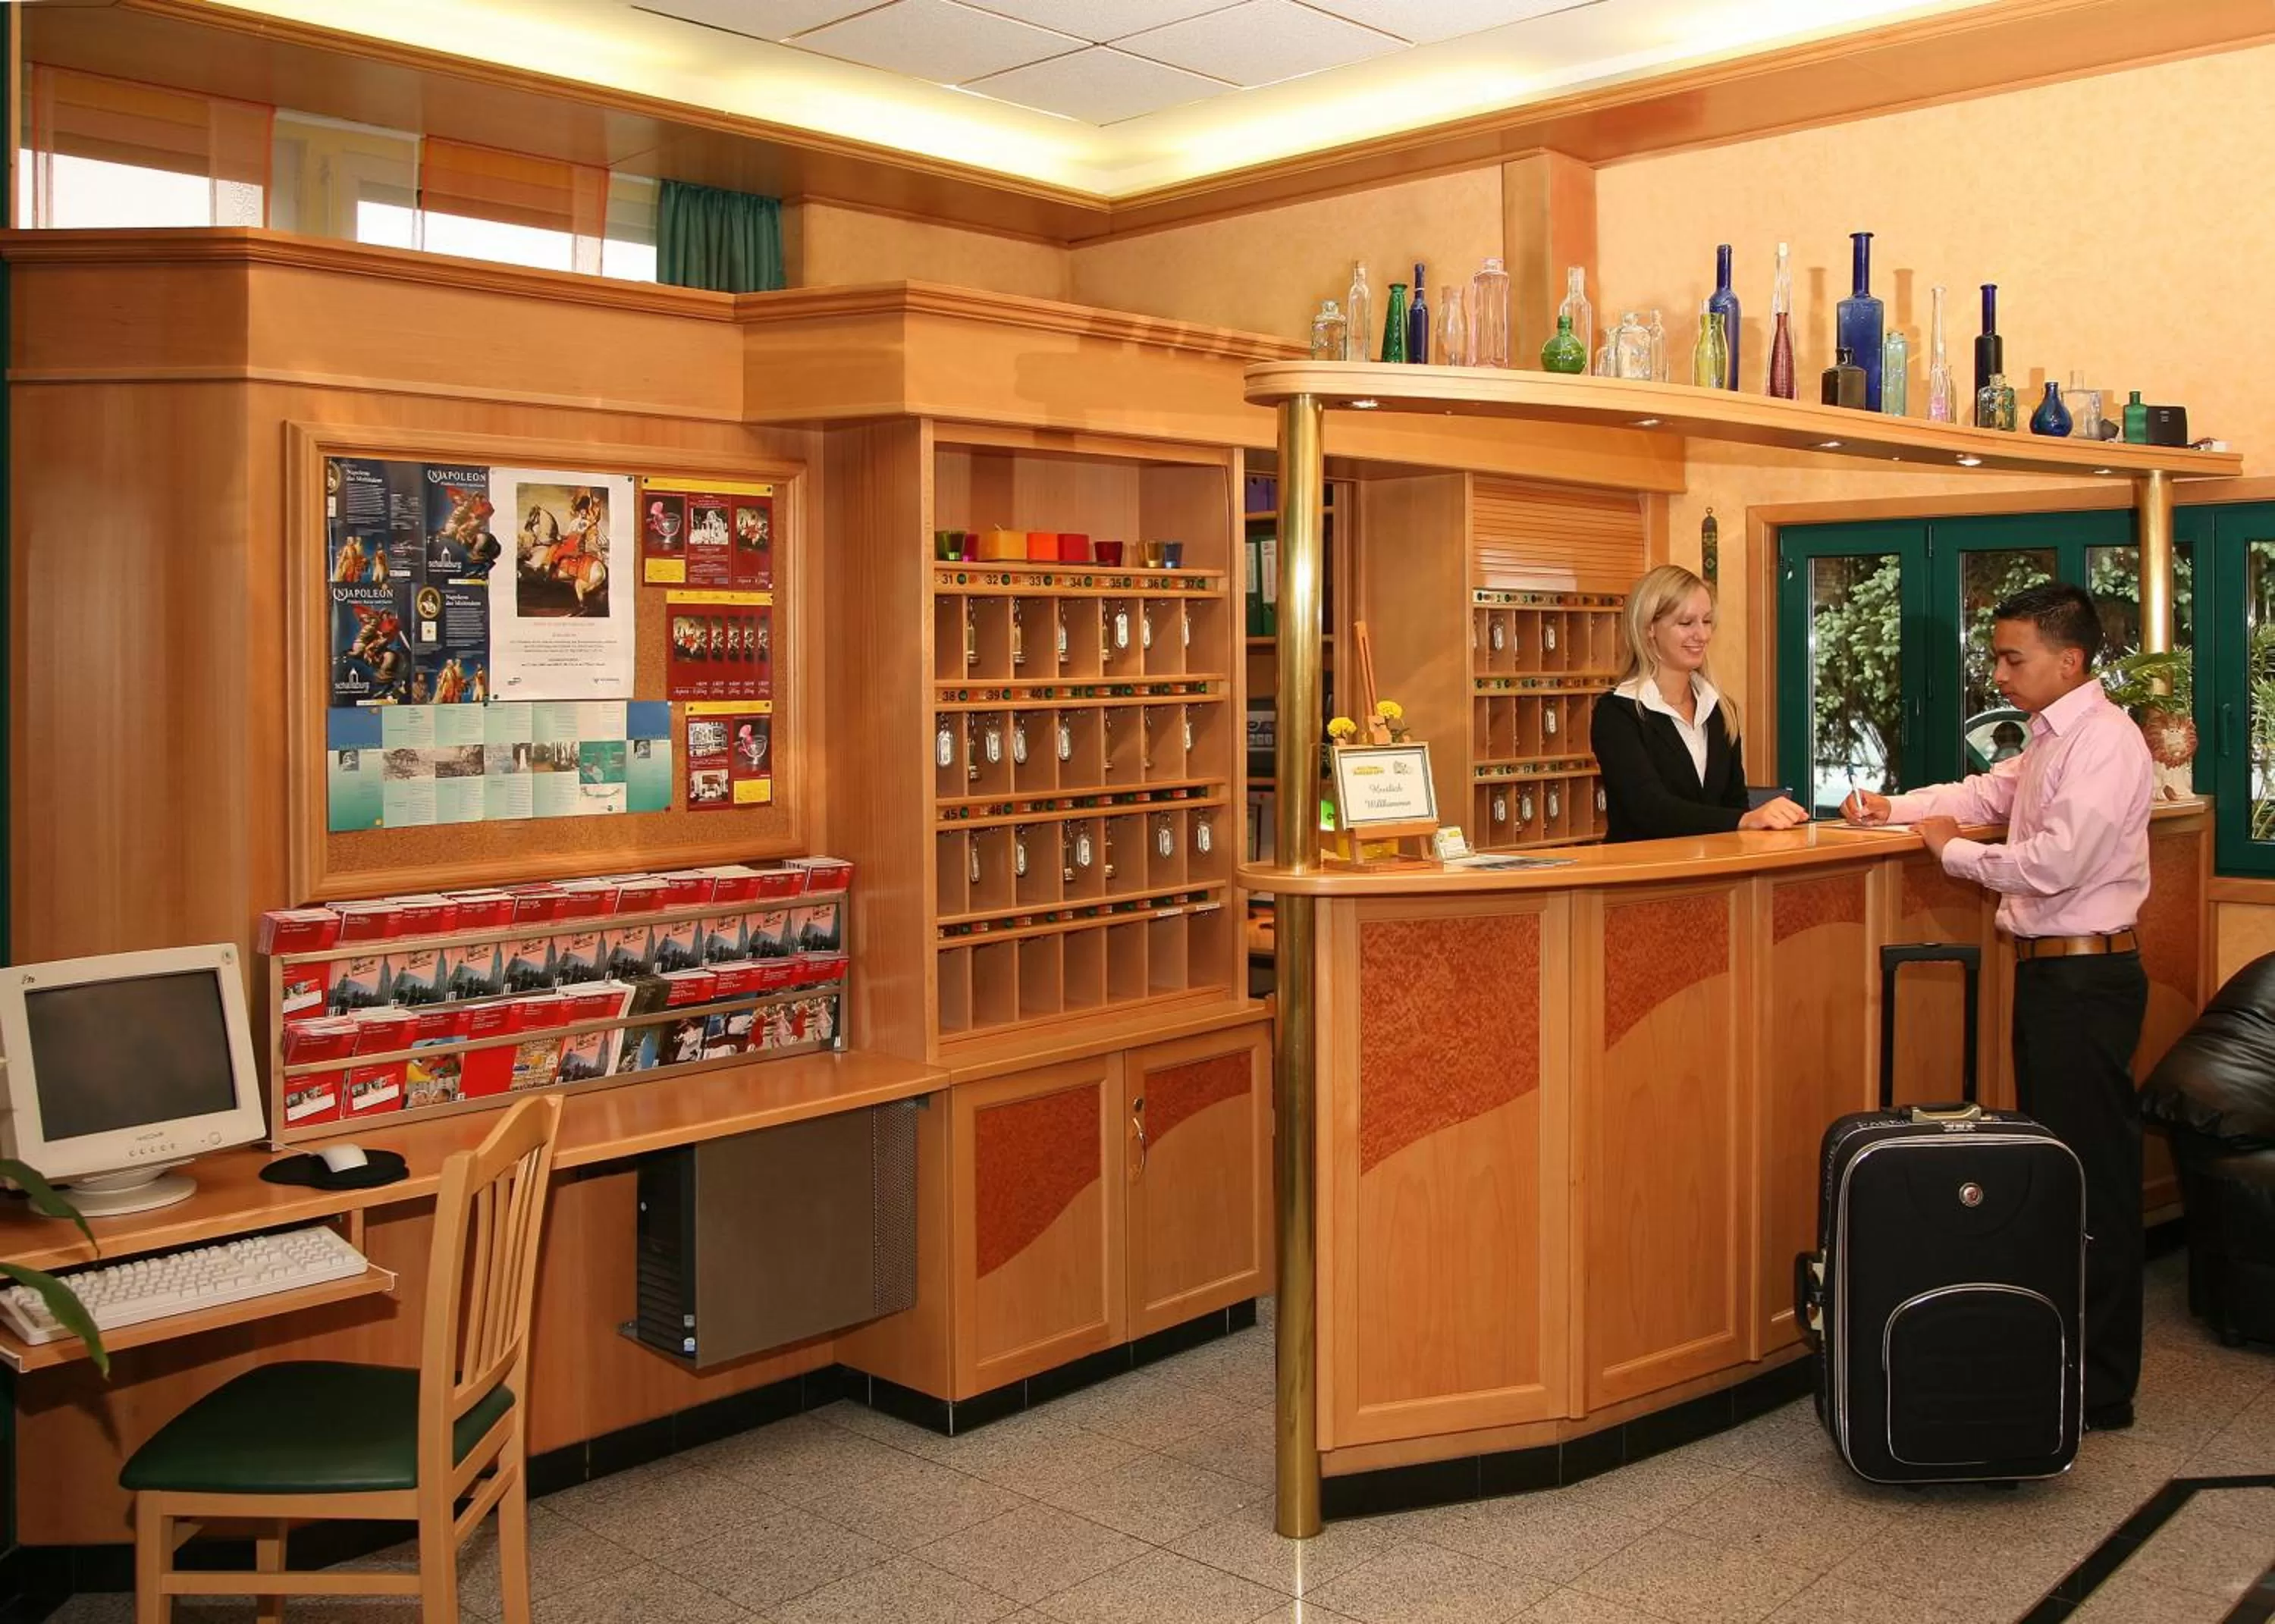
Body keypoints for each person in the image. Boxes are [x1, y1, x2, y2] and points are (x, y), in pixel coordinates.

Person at [1844, 581, 2151, 1431]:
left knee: (2092, 1183)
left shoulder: (2106, 743)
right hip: (2053, 978)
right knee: (2062, 1174)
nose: (2001, 674)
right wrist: (1894, 810)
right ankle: (2070, 1367)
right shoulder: (2054, 738)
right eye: (1998, 657)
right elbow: (1984, 797)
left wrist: (1956, 860)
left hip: (2087, 983)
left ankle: (2103, 1385)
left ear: (2071, 660)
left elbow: (2054, 863)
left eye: (2014, 658)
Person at [1591, 564, 1808, 842]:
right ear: (1649, 629)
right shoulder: (1618, 713)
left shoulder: (1721, 709)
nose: (1702, 635)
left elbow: (1734, 801)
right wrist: (1744, 820)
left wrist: (1753, 822)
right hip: (1645, 877)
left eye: (1706, 622)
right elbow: (1649, 810)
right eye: (1686, 623)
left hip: (1714, 874)